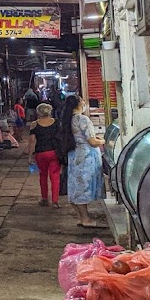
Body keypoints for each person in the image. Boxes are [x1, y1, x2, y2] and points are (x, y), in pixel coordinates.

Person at [60, 95, 105, 228]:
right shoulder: (83, 119)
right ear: (79, 103)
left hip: (75, 155)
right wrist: (103, 140)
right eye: (82, 100)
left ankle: (81, 217)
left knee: (76, 186)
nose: (84, 102)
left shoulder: (68, 119)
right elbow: (92, 141)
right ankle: (86, 219)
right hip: (86, 157)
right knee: (83, 187)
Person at [27, 103, 61, 208]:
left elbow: (32, 141)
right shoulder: (56, 122)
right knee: (55, 176)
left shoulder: (34, 124)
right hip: (54, 152)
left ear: (38, 112)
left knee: (43, 175)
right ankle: (55, 201)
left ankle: (44, 198)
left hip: (41, 153)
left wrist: (30, 156)